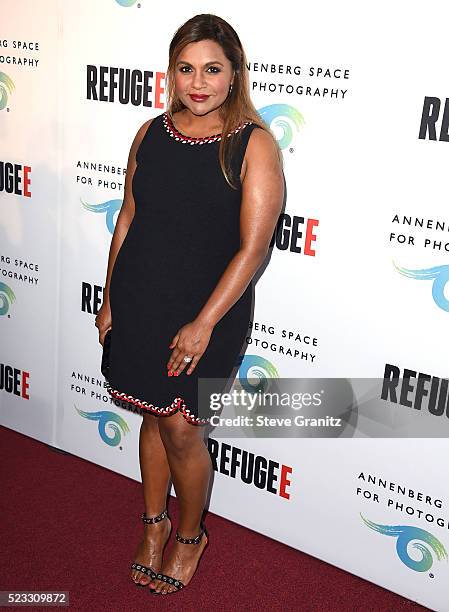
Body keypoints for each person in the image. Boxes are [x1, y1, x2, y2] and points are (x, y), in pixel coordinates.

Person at [95, 13, 284, 595]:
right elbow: (128, 217)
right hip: (141, 297)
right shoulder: (150, 133)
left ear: (234, 75)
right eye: (186, 69)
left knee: (180, 427)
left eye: (212, 69)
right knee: (152, 413)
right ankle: (153, 525)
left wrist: (203, 323)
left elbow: (254, 250)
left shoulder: (253, 145)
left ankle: (191, 534)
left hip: (209, 310)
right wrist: (109, 296)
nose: (198, 82)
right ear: (171, 74)